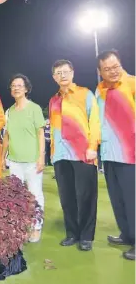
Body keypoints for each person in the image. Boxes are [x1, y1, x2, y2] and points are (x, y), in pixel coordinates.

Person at [49, 59, 100, 251]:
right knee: (67, 197)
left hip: (83, 153)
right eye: (58, 73)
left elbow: (94, 120)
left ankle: (86, 236)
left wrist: (93, 146)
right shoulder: (53, 100)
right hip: (60, 155)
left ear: (72, 72)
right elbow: (54, 129)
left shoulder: (85, 94)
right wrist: (53, 152)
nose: (62, 75)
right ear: (54, 77)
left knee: (86, 196)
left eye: (65, 71)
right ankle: (72, 233)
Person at [96, 50, 135, 260]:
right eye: (107, 69)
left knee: (133, 199)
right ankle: (127, 234)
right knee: (117, 199)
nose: (113, 72)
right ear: (100, 71)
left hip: (130, 154)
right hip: (109, 153)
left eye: (116, 67)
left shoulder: (132, 83)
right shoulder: (100, 89)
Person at [1, 74, 45, 243]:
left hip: (32, 160)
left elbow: (40, 133)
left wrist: (41, 157)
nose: (16, 88)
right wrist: (2, 157)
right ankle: (19, 226)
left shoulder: (34, 108)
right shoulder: (9, 111)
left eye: (19, 85)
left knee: (34, 194)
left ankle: (36, 227)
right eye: (13, 85)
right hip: (14, 161)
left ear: (26, 89)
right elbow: (6, 136)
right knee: (16, 194)